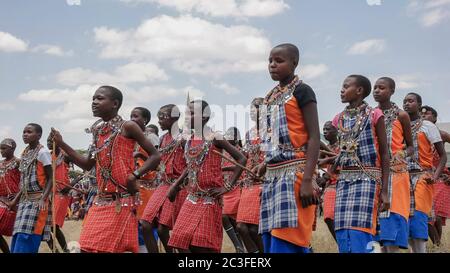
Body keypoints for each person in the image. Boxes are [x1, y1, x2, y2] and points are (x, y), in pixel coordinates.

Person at [51, 86, 161, 253]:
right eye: (93, 98)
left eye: (100, 98)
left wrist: (134, 175)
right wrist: (62, 143)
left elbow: (155, 156)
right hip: (100, 200)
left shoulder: (128, 126)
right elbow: (88, 164)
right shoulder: (97, 130)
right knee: (86, 246)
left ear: (115, 103)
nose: (94, 102)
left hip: (121, 200)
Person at [255, 43, 321, 253]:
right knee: (271, 238)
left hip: (295, 176)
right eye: (270, 61)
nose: (272, 65)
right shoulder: (270, 96)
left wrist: (308, 180)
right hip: (273, 177)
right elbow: (273, 138)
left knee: (288, 240)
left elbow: (314, 137)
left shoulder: (302, 90)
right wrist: (265, 164)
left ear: (295, 63)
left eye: (279, 61)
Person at [167, 100, 247, 253]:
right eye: (186, 113)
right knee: (180, 241)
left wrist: (227, 187)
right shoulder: (189, 141)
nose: (187, 116)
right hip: (191, 198)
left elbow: (242, 159)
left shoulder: (214, 137)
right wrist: (175, 186)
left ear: (204, 117)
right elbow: (190, 167)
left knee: (201, 245)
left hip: (209, 199)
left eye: (191, 113)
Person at [331, 75, 390, 253]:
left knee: (361, 228)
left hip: (368, 180)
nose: (341, 90)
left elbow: (385, 153)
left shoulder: (375, 114)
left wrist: (385, 191)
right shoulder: (338, 119)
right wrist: (330, 169)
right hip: (344, 181)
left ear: (359, 91)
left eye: (346, 86)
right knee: (342, 228)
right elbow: (342, 152)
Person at [372, 77, 414, 252]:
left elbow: (411, 146)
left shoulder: (401, 115)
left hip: (396, 173)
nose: (376, 90)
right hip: (376, 172)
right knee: (378, 219)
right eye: (375, 87)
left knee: (393, 214)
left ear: (392, 91)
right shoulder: (371, 114)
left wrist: (402, 153)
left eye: (381, 88)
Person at [140, 104, 188, 253]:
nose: (159, 121)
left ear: (175, 117)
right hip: (163, 185)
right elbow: (159, 165)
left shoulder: (185, 138)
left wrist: (177, 185)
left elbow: (192, 164)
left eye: (163, 117)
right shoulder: (162, 139)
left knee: (163, 230)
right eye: (158, 117)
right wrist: (142, 158)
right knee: (145, 223)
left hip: (179, 187)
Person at [403, 93, 447, 253]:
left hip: (423, 175)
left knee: (419, 216)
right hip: (403, 177)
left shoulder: (427, 126)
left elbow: (443, 155)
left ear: (419, 104)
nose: (407, 104)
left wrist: (435, 177)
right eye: (405, 102)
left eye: (411, 101)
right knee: (406, 216)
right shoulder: (399, 125)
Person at [10, 123, 53, 253]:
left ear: (38, 135)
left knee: (28, 236)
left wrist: (43, 199)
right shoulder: (25, 153)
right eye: (24, 132)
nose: (25, 134)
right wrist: (15, 201)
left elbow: (51, 178)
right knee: (18, 234)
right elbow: (24, 181)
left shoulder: (43, 152)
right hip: (24, 201)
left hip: (38, 200)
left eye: (29, 132)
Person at [236, 98, 265, 254]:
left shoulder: (273, 132)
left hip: (264, 182)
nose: (252, 111)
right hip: (248, 183)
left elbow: (274, 157)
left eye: (256, 108)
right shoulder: (249, 133)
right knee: (241, 226)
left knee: (254, 228)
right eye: (251, 108)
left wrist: (261, 168)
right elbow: (246, 156)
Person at [130, 107, 160, 253]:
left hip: (147, 189)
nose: (132, 119)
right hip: (133, 189)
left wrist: (140, 157)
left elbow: (158, 163)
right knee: (134, 225)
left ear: (145, 120)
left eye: (136, 116)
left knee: (146, 224)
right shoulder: (130, 137)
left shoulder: (150, 138)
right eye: (131, 116)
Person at [421, 105, 450, 246]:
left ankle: (438, 246)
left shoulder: (442, 135)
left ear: (435, 118)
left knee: (436, 216)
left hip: (441, 178)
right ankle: (438, 245)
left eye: (427, 114)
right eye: (421, 114)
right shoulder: (415, 134)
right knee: (426, 216)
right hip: (423, 178)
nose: (423, 116)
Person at [221, 127, 245, 253]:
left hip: (237, 188)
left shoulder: (240, 151)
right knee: (224, 216)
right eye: (226, 134)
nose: (226, 136)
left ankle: (240, 247)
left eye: (229, 134)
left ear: (236, 137)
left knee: (237, 222)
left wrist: (224, 170)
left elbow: (241, 165)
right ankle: (238, 245)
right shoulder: (223, 152)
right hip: (225, 190)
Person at [318, 121, 339, 243]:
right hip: (331, 186)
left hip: (344, 182)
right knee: (328, 217)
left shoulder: (343, 145)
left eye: (328, 129)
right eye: (324, 129)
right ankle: (341, 245)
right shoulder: (326, 149)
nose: (325, 131)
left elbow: (341, 161)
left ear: (336, 131)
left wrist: (326, 176)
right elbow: (317, 162)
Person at [0, 139, 21, 253]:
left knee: (17, 232)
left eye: (4, 148)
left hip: (16, 201)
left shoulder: (18, 162)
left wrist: (17, 196)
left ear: (12, 148)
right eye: (0, 148)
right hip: (2, 201)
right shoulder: (0, 164)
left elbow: (25, 181)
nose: (1, 151)